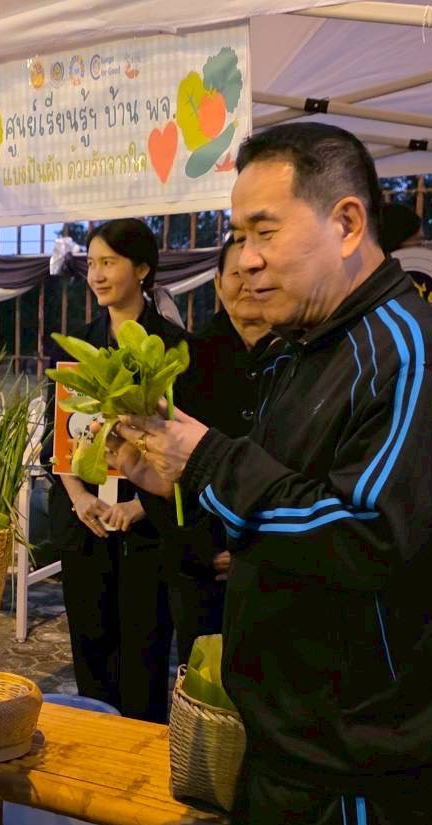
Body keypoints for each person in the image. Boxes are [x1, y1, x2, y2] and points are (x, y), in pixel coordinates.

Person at [109, 122, 432, 825]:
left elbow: (364, 533)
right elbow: (276, 516)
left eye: (264, 231)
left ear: (347, 223)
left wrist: (206, 458)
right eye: (237, 236)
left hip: (357, 757)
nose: (242, 259)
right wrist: (178, 481)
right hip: (288, 740)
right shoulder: (305, 352)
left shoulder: (411, 358)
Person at [46, 218, 179, 723]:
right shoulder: (75, 345)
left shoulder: (171, 346)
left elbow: (184, 444)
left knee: (145, 657)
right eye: (92, 263)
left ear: (142, 269)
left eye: (109, 262)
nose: (97, 274)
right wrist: (80, 498)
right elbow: (54, 439)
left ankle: (139, 771)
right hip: (87, 522)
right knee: (91, 650)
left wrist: (140, 505)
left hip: (147, 530)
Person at [162, 236, 276, 658]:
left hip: (276, 560)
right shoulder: (186, 358)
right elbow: (160, 462)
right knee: (203, 682)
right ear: (217, 282)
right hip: (199, 565)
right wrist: (202, 549)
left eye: (257, 274)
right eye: (236, 275)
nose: (247, 284)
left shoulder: (300, 358)